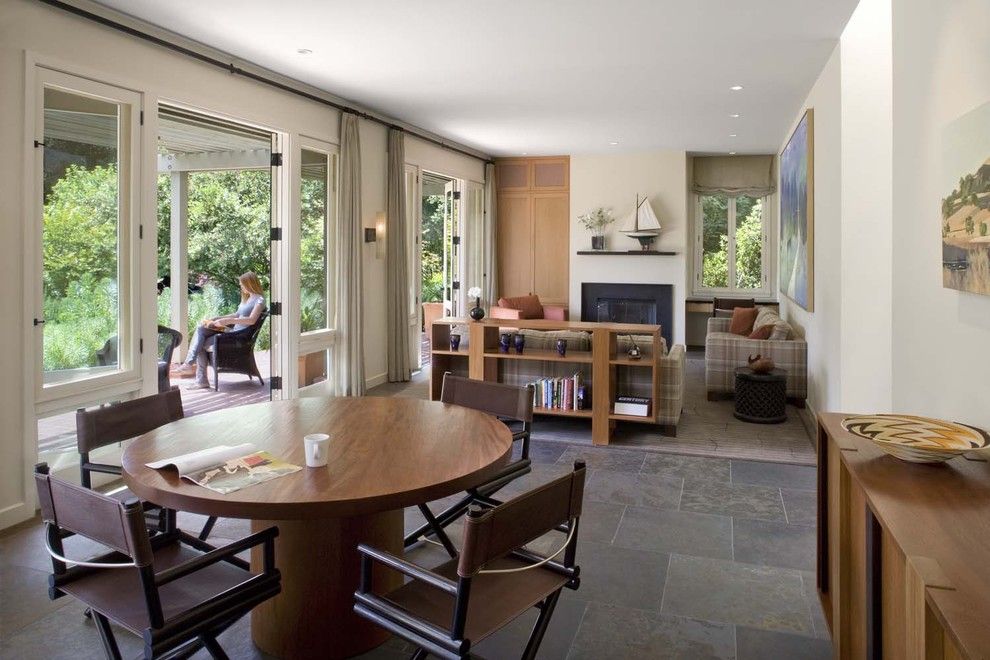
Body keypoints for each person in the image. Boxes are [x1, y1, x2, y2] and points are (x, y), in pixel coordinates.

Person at [172, 272, 266, 389]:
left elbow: (252, 320)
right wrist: (218, 318)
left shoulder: (259, 300)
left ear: (250, 283)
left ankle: (196, 374)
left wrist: (227, 321)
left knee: (200, 341)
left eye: (243, 284)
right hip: (233, 333)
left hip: (239, 337)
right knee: (201, 329)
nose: (241, 287)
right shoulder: (247, 298)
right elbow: (237, 314)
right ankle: (191, 367)